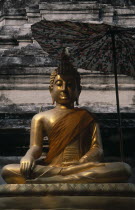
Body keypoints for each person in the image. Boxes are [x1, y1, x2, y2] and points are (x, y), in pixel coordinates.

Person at [1, 49, 132, 184]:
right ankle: (65, 178)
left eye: (70, 85)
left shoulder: (87, 116)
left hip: (81, 167)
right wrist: (28, 157)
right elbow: (36, 147)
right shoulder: (40, 118)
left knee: (124, 169)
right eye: (59, 84)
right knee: (8, 170)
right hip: (52, 167)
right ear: (51, 90)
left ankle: (53, 180)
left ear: (78, 91)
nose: (64, 88)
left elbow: (97, 149)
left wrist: (81, 163)